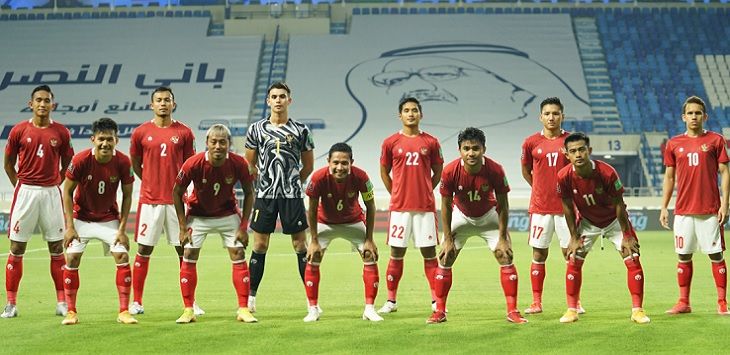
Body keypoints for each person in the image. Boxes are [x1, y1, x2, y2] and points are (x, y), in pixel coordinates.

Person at [433, 127, 527, 324]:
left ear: (483, 149)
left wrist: (502, 238)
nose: (471, 153)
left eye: (475, 148)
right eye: (466, 148)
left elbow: (503, 205)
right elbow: (445, 206)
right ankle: (439, 311)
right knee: (445, 256)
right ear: (460, 150)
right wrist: (447, 239)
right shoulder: (450, 171)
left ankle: (512, 311)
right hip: (461, 216)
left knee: (505, 254)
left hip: (488, 217)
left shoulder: (495, 169)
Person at [557, 132, 649, 324]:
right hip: (588, 222)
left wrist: (627, 234)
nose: (578, 154)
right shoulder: (563, 176)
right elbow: (567, 207)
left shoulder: (607, 172)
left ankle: (637, 310)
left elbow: (619, 204)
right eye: (573, 151)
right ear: (567, 155)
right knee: (573, 259)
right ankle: (572, 309)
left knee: (632, 257)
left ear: (589, 150)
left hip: (614, 221)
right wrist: (573, 237)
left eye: (582, 149)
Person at [172, 124, 256, 324]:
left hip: (227, 214)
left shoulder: (239, 163)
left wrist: (244, 227)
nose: (218, 146)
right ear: (206, 144)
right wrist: (183, 227)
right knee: (189, 255)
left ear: (229, 144)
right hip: (198, 215)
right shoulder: (193, 163)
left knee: (238, 253)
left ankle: (243, 309)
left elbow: (250, 192)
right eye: (214, 142)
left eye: (222, 142)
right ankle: (188, 309)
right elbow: (176, 192)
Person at [2, 85, 74, 319]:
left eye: (47, 100)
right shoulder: (19, 130)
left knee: (56, 248)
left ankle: (61, 302)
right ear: (31, 103)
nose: (43, 104)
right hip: (26, 192)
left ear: (53, 104)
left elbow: (69, 166)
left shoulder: (61, 132)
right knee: (16, 248)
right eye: (38, 100)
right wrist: (21, 187)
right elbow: (8, 164)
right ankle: (11, 304)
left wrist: (54, 183)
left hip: (51, 193)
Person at [128, 86, 201, 316]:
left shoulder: (185, 132)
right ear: (152, 105)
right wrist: (150, 181)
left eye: (167, 100)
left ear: (173, 104)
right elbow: (136, 163)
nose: (163, 104)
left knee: (185, 252)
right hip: (149, 202)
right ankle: (137, 302)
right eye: (158, 100)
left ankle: (190, 303)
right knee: (143, 249)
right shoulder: (140, 133)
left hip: (177, 202)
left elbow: (192, 165)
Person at [244, 81, 314, 313]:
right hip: (265, 195)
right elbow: (250, 163)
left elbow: (308, 165)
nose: (278, 100)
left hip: (292, 195)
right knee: (260, 244)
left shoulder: (301, 130)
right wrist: (266, 181)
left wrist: (291, 181)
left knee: (299, 244)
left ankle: (311, 301)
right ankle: (250, 298)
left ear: (289, 100)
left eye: (282, 96)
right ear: (268, 101)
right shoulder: (256, 129)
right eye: (274, 96)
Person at [59, 117, 137, 325]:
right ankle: (71, 312)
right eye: (101, 139)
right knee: (72, 259)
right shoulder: (81, 160)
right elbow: (66, 191)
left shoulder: (123, 162)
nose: (105, 143)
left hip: (108, 218)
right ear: (93, 139)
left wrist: (122, 229)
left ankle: (124, 311)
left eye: (109, 139)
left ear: (116, 140)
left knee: (122, 255)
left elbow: (128, 195)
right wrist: (69, 227)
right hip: (82, 218)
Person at [660, 96, 730, 315]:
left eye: (698, 113)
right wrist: (664, 207)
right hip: (683, 211)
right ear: (683, 117)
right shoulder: (673, 144)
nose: (694, 116)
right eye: (690, 113)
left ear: (705, 116)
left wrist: (725, 205)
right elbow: (669, 177)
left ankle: (722, 302)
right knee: (683, 256)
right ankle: (683, 302)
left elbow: (725, 172)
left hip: (709, 210)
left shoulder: (716, 140)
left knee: (716, 255)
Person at [378, 97, 443, 314]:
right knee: (396, 252)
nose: (411, 113)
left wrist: (425, 188)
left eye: (414, 110)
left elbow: (438, 172)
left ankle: (436, 301)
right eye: (406, 110)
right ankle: (391, 301)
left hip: (424, 207)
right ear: (400, 115)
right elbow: (384, 172)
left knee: (429, 253)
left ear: (421, 114)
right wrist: (395, 192)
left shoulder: (431, 142)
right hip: (399, 208)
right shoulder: (390, 142)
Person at [303, 143, 382, 322]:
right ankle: (313, 309)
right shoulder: (317, 178)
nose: (340, 167)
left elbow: (371, 206)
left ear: (351, 163)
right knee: (313, 256)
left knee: (370, 255)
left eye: (344, 163)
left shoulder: (361, 177)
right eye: (336, 162)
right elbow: (312, 210)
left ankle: (369, 309)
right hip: (325, 223)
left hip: (353, 221)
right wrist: (314, 240)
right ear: (328, 162)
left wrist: (369, 239)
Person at [520, 97, 584, 315]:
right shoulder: (530, 143)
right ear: (540, 117)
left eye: (555, 113)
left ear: (562, 116)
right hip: (540, 208)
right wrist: (540, 188)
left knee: (572, 254)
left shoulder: (571, 142)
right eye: (547, 113)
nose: (551, 117)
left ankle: (574, 303)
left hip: (566, 208)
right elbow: (527, 171)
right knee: (539, 254)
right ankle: (536, 302)